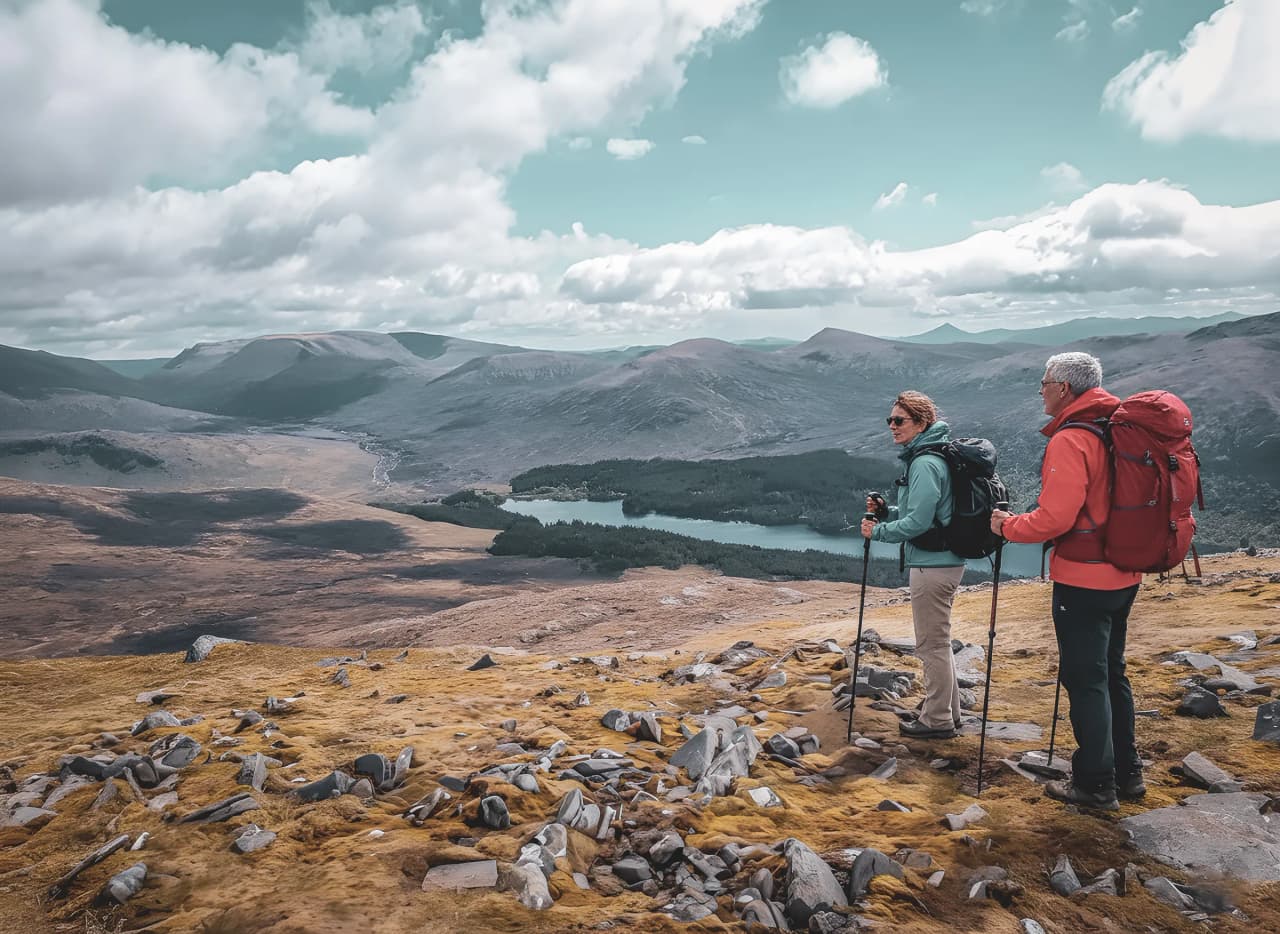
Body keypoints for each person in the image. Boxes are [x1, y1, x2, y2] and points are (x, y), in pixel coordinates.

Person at [990, 351, 1143, 811]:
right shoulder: (1119, 428)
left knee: (1085, 678)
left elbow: (1055, 518)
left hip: (1083, 579)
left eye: (1044, 383)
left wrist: (1007, 526)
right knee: (1112, 671)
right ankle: (1128, 773)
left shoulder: (1072, 438)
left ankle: (1095, 785)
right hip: (1125, 571)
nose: (1040, 390)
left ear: (1063, 388)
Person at [861, 390, 966, 739]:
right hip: (942, 562)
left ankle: (936, 721)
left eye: (899, 420)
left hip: (932, 567)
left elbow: (918, 523)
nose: (892, 426)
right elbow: (925, 515)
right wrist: (887, 512)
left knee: (930, 645)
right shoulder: (931, 457)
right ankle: (949, 713)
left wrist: (878, 531)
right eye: (889, 420)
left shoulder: (924, 463)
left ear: (921, 423)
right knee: (939, 642)